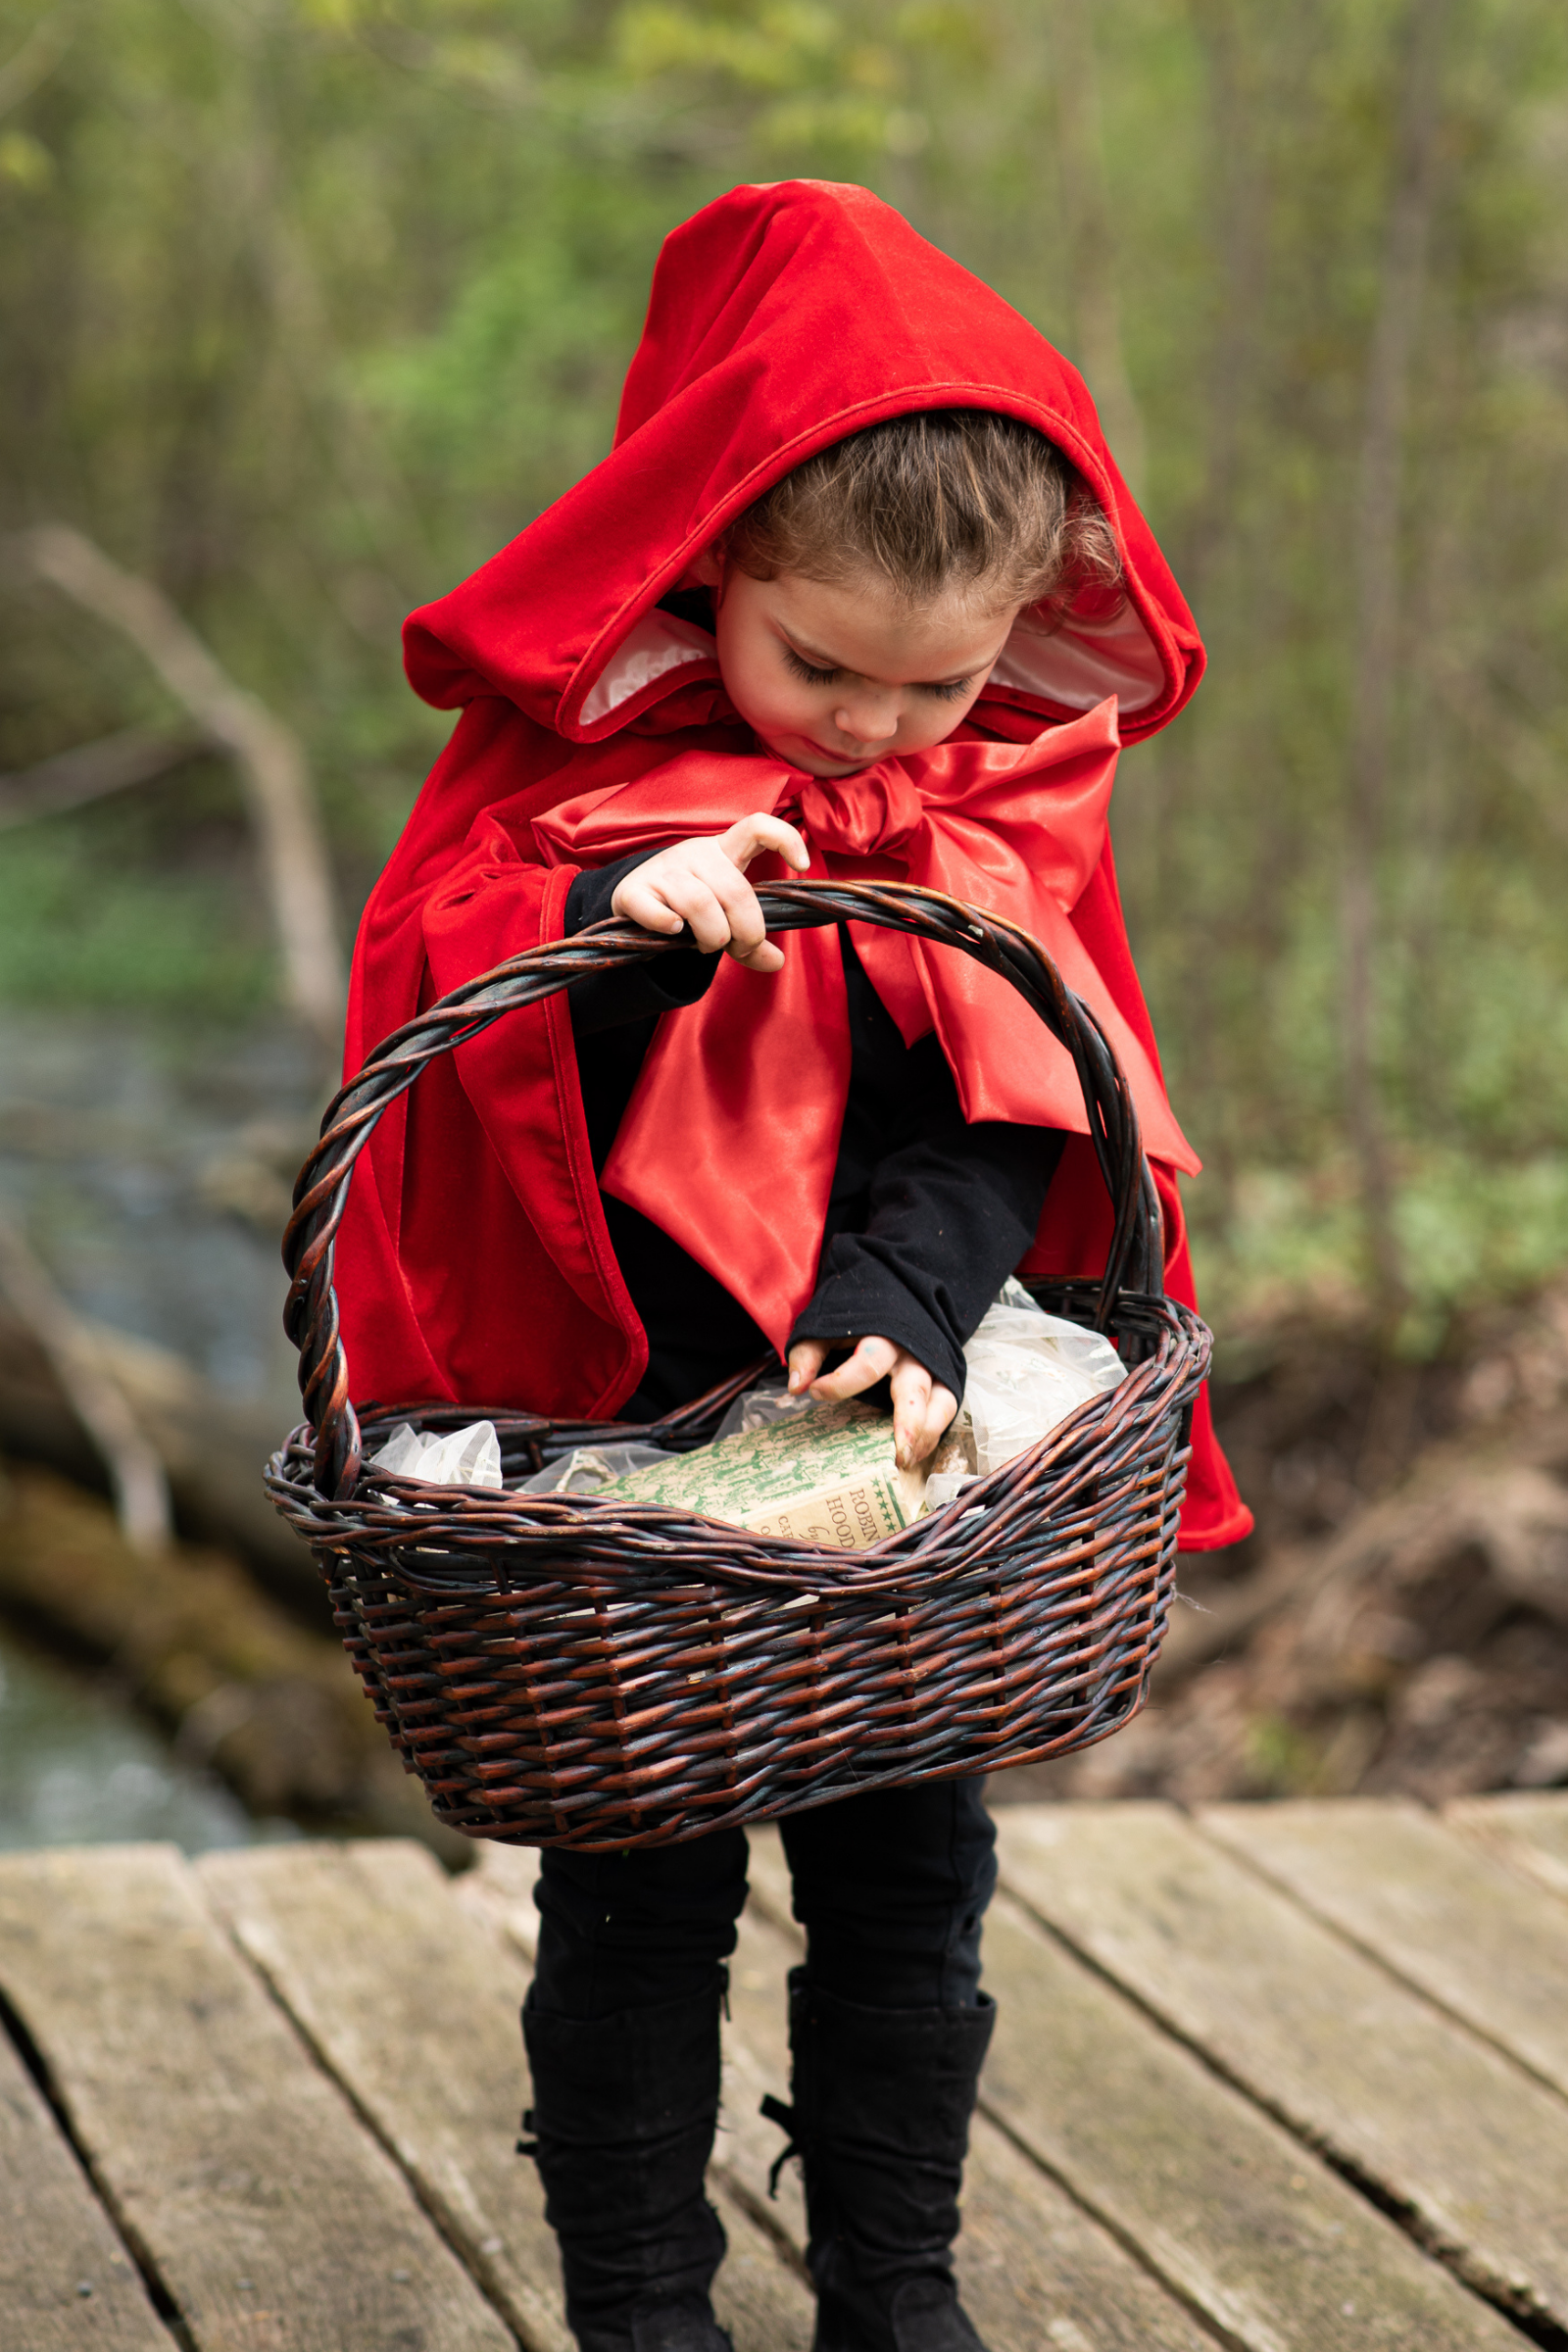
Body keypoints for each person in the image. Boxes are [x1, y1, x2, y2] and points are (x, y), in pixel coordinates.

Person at [336, 181, 1251, 2352]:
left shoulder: (986, 794)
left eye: (928, 681)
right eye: (811, 663)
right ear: (707, 566)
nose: (862, 726)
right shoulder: (566, 788)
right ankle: (644, 2306)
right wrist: (630, 934)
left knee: (909, 1883)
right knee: (636, 1902)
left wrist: (908, 1305)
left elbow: (998, 1105)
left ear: (1016, 632)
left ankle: (892, 2291)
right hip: (630, 1448)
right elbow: (482, 1063)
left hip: (888, 1448)